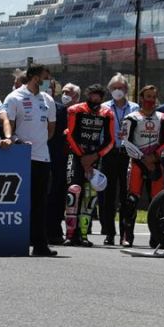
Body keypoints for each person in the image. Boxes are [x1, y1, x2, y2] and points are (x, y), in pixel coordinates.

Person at [0, 63, 58, 256]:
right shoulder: (15, 97)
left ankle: (40, 244)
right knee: (20, 201)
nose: (48, 81)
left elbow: (51, 130)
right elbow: (8, 126)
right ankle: (16, 240)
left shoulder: (48, 100)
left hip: (42, 156)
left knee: (41, 202)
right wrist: (17, 141)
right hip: (21, 157)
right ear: (35, 77)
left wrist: (38, 142)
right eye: (45, 77)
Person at [120, 85, 164, 248]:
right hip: (137, 163)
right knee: (131, 200)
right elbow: (125, 142)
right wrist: (143, 158)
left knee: (157, 202)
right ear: (141, 98)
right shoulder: (131, 118)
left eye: (153, 97)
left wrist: (155, 156)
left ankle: (156, 237)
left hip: (156, 164)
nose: (150, 100)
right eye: (147, 96)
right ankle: (127, 236)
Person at [65, 84, 115, 247]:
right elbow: (70, 135)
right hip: (76, 155)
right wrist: (82, 156)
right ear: (87, 95)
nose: (95, 99)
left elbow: (110, 141)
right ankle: (70, 234)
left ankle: (84, 234)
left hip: (95, 157)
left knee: (90, 194)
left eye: (98, 96)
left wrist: (94, 156)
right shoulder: (75, 110)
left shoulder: (107, 113)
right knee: (74, 191)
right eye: (92, 95)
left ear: (102, 98)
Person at [100, 73, 138, 246]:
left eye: (121, 88)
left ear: (126, 90)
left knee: (127, 196)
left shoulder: (135, 108)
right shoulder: (104, 108)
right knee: (108, 196)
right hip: (109, 153)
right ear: (109, 90)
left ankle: (126, 233)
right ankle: (109, 233)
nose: (118, 91)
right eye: (114, 88)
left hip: (128, 155)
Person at [46, 81, 78, 244]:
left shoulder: (61, 109)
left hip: (57, 157)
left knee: (57, 194)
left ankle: (54, 230)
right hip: (36, 155)